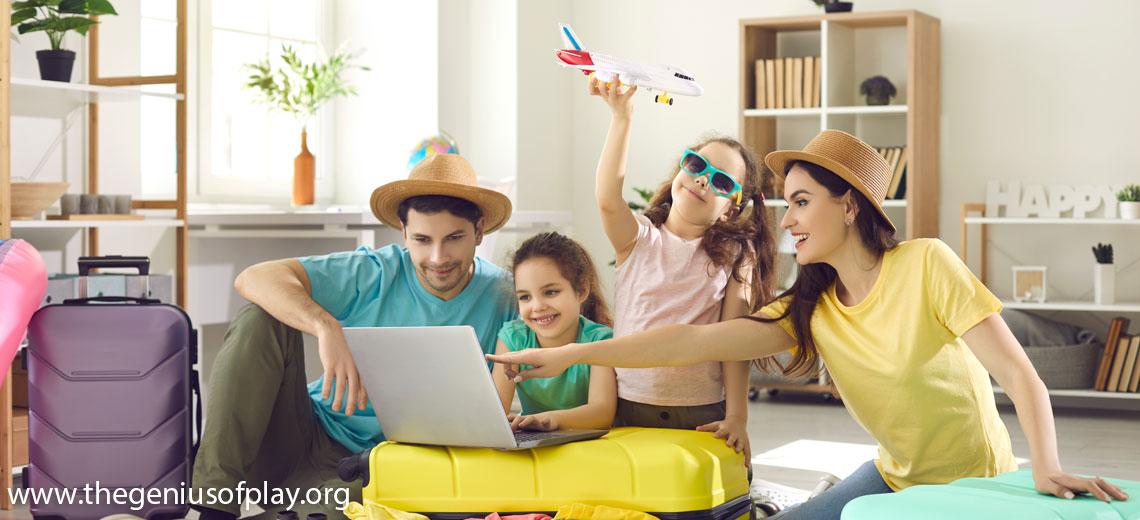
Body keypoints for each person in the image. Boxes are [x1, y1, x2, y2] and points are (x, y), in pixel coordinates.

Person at [488, 130, 1129, 520]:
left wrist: (1044, 466)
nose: (786, 219)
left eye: (800, 201)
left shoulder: (928, 263)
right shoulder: (810, 308)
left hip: (971, 481)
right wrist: (574, 353)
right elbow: (693, 340)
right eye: (784, 202)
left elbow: (1019, 374)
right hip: (891, 472)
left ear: (848, 205)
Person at [192, 154, 517, 520]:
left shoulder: (507, 295)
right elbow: (253, 278)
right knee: (259, 317)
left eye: (454, 238)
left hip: (375, 469)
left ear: (480, 230)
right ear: (403, 232)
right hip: (300, 435)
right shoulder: (374, 271)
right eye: (422, 240)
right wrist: (325, 326)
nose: (437, 257)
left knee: (346, 508)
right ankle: (213, 507)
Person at [587, 76, 777, 460]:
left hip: (702, 411)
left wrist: (737, 416)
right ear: (680, 170)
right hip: (629, 403)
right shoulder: (639, 238)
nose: (703, 180)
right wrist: (621, 118)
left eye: (721, 182)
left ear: (732, 208)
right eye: (696, 164)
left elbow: (734, 340)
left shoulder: (736, 254)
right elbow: (609, 199)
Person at [491, 232, 616, 431]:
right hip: (536, 444)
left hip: (589, 445)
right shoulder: (513, 337)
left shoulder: (600, 340)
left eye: (551, 292)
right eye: (525, 297)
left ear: (582, 290)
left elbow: (602, 413)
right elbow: (494, 413)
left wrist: (550, 419)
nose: (537, 306)